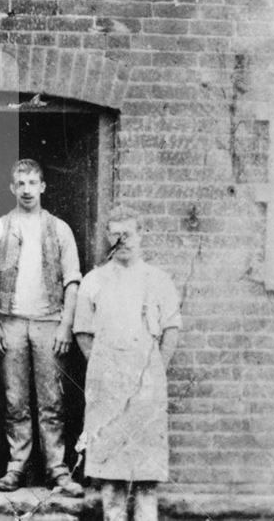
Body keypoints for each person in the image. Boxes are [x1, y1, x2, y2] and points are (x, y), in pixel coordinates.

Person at [0, 159, 84, 496]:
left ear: (42, 186)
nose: (26, 189)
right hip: (11, 322)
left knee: (52, 400)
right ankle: (16, 468)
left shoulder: (60, 229)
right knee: (15, 400)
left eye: (32, 183)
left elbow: (72, 281)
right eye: (20, 183)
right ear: (12, 188)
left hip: (49, 323)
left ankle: (57, 470)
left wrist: (66, 325)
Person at [73, 206, 181, 521]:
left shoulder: (158, 280)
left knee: (146, 479)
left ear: (141, 234)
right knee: (111, 475)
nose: (123, 241)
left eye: (129, 234)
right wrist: (106, 372)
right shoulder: (94, 280)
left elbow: (171, 330)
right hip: (107, 386)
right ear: (108, 238)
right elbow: (82, 332)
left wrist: (153, 371)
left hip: (147, 388)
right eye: (116, 235)